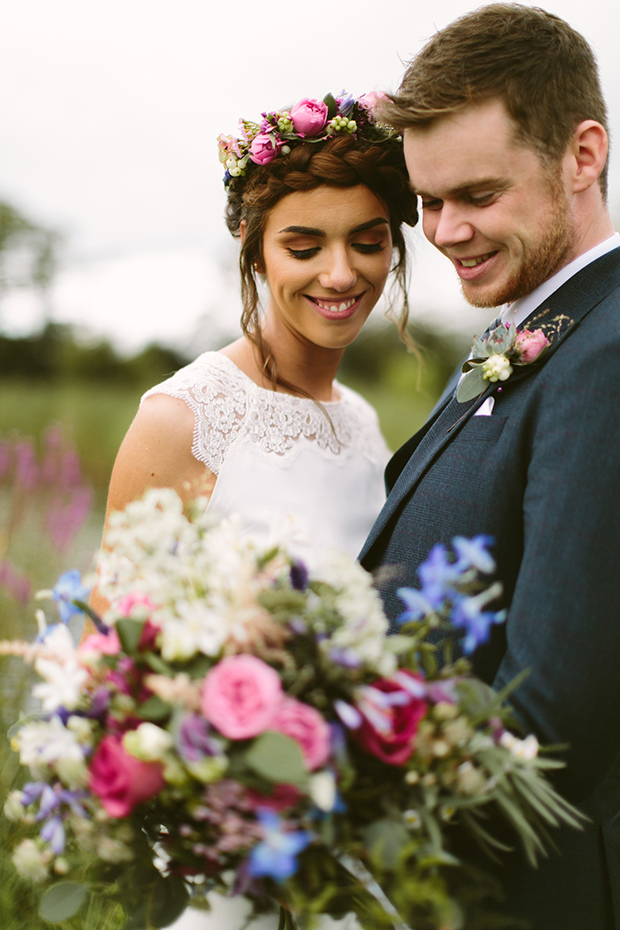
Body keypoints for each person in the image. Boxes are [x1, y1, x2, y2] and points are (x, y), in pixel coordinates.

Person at [92, 91, 417, 928]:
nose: (341, 274)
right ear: (255, 250)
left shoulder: (364, 424)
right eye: (304, 246)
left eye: (369, 241)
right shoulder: (186, 417)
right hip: (230, 850)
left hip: (348, 833)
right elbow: (112, 656)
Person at [359, 5, 620, 929]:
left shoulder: (610, 352)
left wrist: (346, 841)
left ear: (582, 155)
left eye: (477, 194)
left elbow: (552, 713)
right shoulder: (526, 328)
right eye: (427, 201)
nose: (444, 230)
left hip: (513, 895)